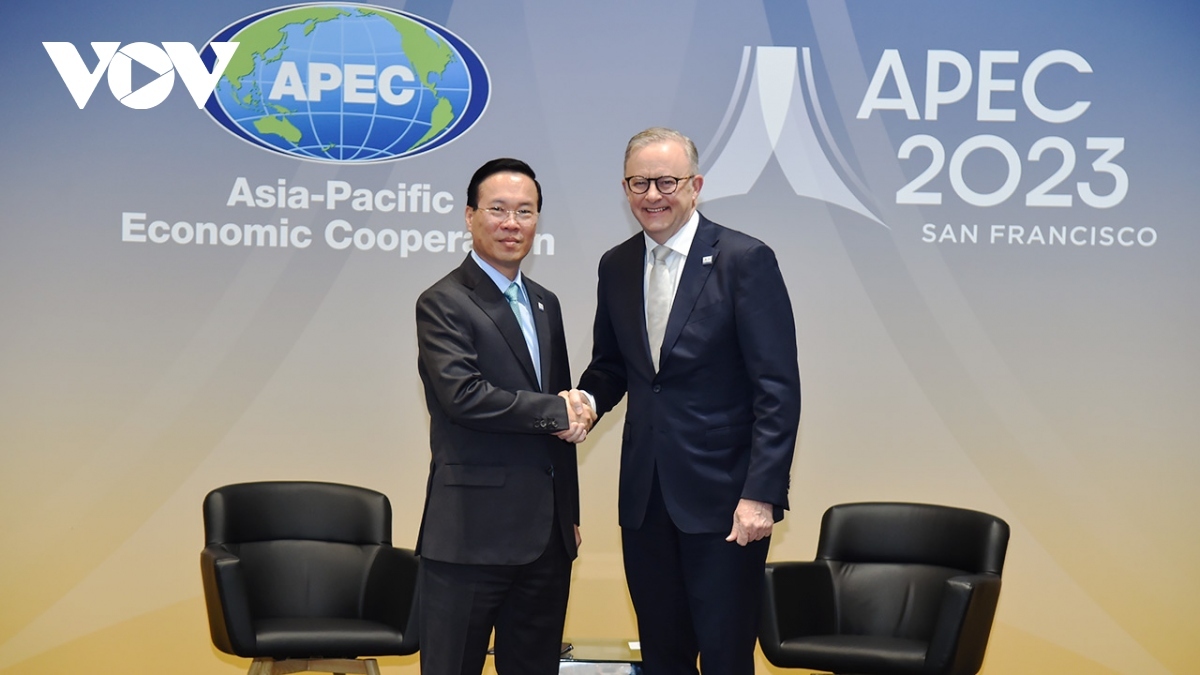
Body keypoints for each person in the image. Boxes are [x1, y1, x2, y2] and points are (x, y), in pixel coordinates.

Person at [572, 127, 801, 674]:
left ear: (695, 186)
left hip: (726, 504)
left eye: (667, 181)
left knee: (724, 657)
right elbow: (614, 366)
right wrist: (581, 400)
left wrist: (761, 494)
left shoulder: (745, 259)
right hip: (646, 501)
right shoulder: (616, 264)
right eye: (639, 183)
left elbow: (777, 387)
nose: (652, 195)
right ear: (625, 189)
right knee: (662, 656)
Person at [414, 158, 594, 675]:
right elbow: (463, 396)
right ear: (470, 216)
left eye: (525, 211)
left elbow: (560, 421)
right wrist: (557, 409)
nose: (511, 223)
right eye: (497, 210)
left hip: (546, 544)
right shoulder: (444, 301)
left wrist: (569, 514)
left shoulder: (546, 304)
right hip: (471, 536)